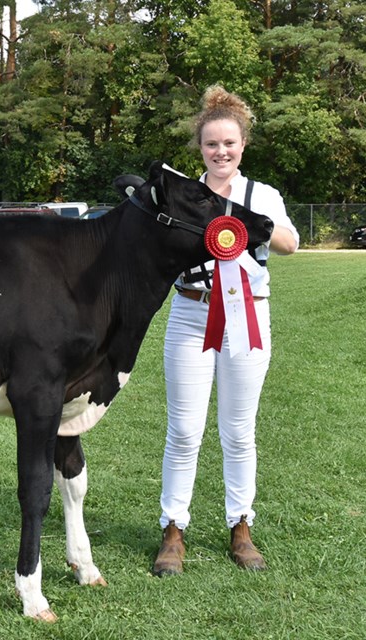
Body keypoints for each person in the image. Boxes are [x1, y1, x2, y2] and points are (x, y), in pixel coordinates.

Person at [152, 85, 299, 576]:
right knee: (184, 431)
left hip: (248, 316)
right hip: (191, 314)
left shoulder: (264, 195)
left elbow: (290, 245)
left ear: (243, 145)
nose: (221, 152)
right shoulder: (183, 195)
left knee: (239, 432)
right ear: (201, 148)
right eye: (212, 144)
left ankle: (241, 526)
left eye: (229, 144)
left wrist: (252, 224)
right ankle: (174, 529)